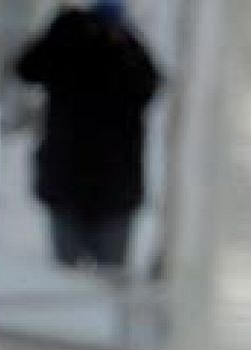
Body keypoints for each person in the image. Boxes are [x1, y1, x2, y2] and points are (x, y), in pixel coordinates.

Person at [14, 0, 161, 269]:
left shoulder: (123, 51)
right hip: (79, 184)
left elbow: (149, 86)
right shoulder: (72, 39)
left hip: (105, 189)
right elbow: (27, 69)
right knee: (69, 277)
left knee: (105, 278)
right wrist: (63, 29)